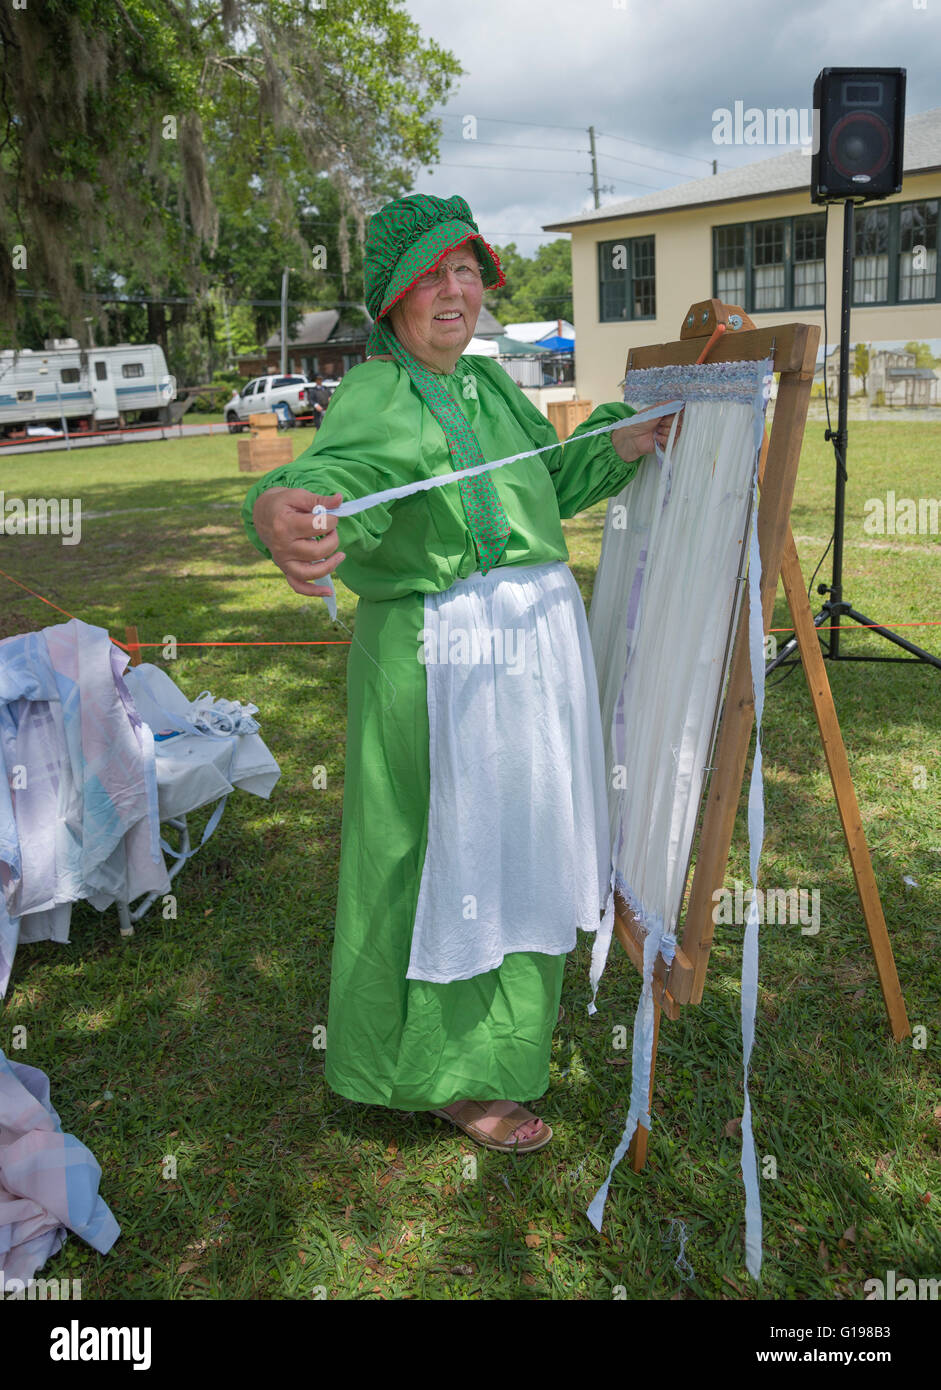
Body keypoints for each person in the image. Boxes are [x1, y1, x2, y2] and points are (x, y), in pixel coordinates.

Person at [242, 193, 680, 1153]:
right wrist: (287, 509)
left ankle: (504, 1049)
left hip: (529, 652)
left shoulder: (489, 387)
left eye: (468, 270)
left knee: (521, 846)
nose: (455, 290)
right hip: (440, 662)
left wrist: (620, 438)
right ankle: (438, 1074)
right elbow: (334, 483)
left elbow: (548, 482)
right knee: (442, 859)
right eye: (433, 273)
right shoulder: (374, 393)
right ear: (394, 296)